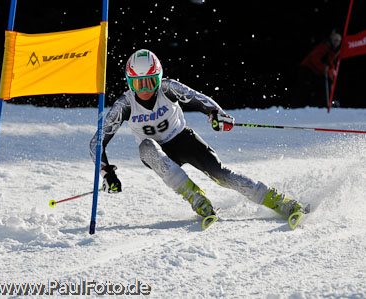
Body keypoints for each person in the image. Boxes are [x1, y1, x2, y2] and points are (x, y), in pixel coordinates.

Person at [90, 49, 308, 220]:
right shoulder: (124, 105)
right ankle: (196, 198)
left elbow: (199, 99)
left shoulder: (168, 89)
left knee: (221, 174)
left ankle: (279, 201)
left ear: (159, 78)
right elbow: (96, 143)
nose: (145, 89)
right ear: (129, 83)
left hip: (183, 140)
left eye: (150, 81)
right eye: (137, 83)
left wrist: (216, 114)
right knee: (146, 146)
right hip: (156, 154)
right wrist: (107, 173)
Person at [292, 31, 342, 107]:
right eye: (335, 40)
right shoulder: (324, 47)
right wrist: (324, 68)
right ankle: (296, 107)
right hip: (307, 69)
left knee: (321, 89)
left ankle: (316, 107)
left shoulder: (334, 50)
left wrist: (331, 71)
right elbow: (314, 58)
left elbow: (330, 63)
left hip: (316, 71)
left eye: (338, 41)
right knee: (304, 90)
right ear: (331, 39)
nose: (336, 42)